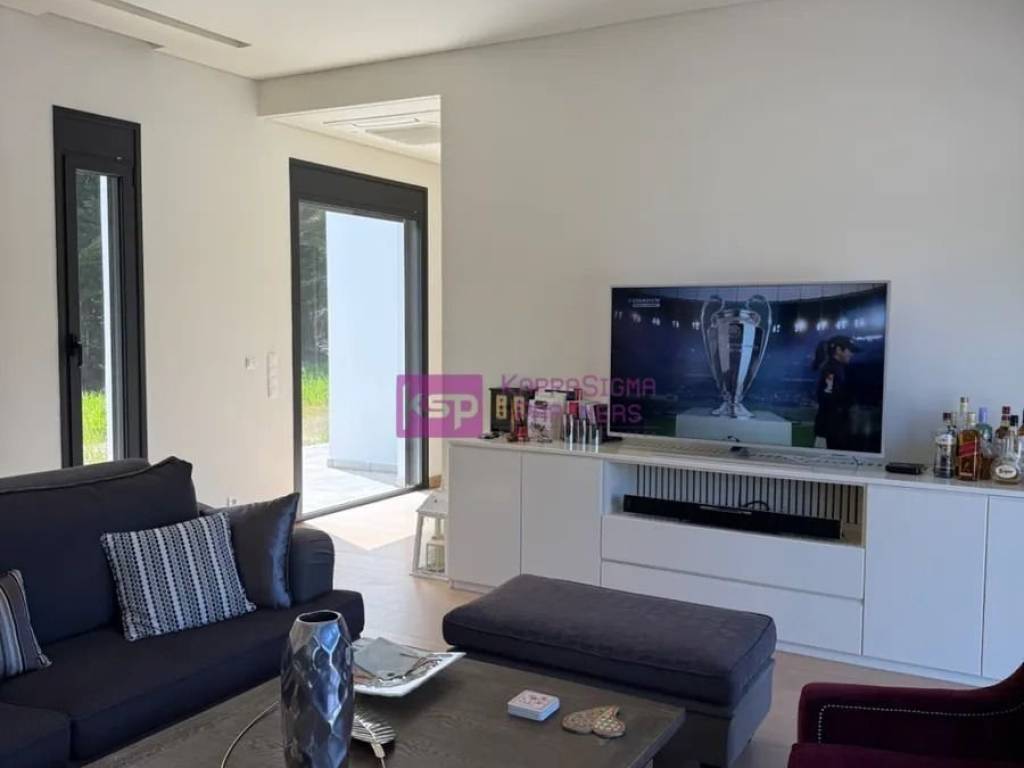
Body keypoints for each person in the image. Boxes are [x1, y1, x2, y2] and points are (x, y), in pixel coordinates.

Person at [812, 335, 861, 451]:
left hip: (832, 431)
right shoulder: (831, 369)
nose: (851, 354)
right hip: (830, 433)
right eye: (849, 350)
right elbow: (828, 399)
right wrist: (849, 402)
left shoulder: (838, 368)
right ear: (839, 350)